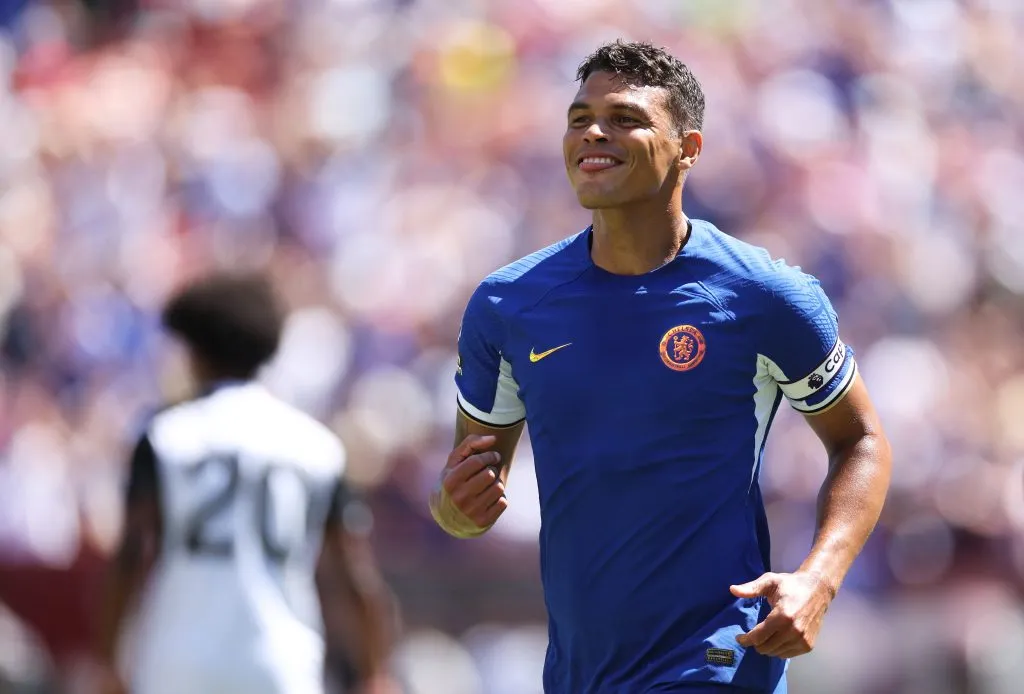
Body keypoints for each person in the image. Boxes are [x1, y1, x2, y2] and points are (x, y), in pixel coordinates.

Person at [429, 40, 892, 694]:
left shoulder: (762, 294)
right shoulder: (510, 304)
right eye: (579, 116)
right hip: (580, 674)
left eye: (625, 118)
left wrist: (819, 576)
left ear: (690, 148)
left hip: (718, 662)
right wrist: (455, 507)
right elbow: (463, 505)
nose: (593, 131)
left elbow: (862, 440)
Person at [96, 271, 397, 694]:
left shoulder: (168, 435)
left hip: (178, 660)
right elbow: (353, 576)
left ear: (196, 353)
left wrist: (108, 663)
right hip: (280, 663)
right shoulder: (316, 446)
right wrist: (374, 671)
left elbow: (130, 556)